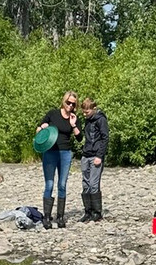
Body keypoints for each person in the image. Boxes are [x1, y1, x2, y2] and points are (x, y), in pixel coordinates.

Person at [36, 92, 83, 229]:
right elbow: (38, 129)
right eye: (68, 102)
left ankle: (60, 216)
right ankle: (46, 217)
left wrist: (74, 125)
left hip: (65, 153)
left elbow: (80, 138)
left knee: (62, 184)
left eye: (73, 104)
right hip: (50, 152)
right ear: (64, 101)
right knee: (49, 184)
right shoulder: (53, 114)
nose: (70, 105)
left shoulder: (74, 118)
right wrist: (42, 128)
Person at [78, 98, 108, 223]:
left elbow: (105, 138)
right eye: (83, 112)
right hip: (86, 154)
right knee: (85, 184)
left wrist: (99, 156)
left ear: (93, 109)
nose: (85, 114)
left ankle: (97, 213)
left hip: (96, 155)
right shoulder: (87, 121)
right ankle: (88, 212)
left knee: (93, 184)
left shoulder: (101, 120)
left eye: (87, 112)